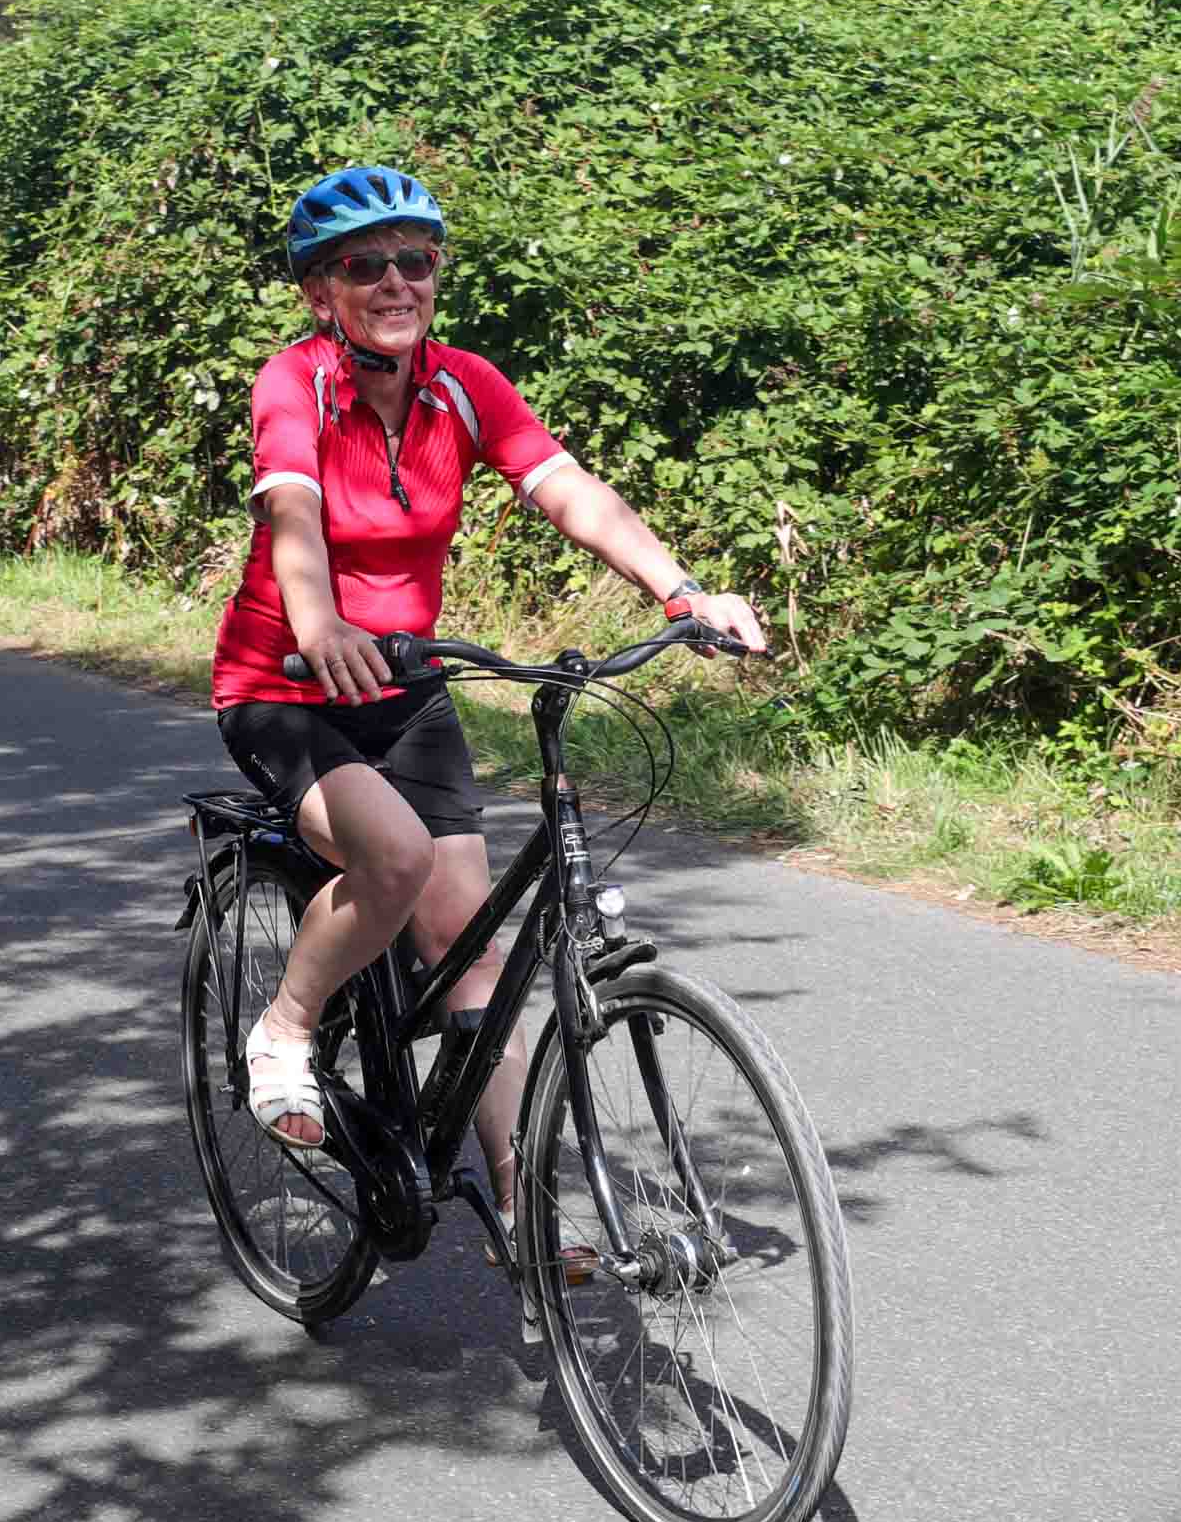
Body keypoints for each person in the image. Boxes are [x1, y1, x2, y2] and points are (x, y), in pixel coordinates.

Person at [209, 164, 766, 1221]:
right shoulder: (295, 385)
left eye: (415, 260)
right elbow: (290, 507)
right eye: (363, 264)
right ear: (318, 292)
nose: (395, 280)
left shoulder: (464, 381)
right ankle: (285, 1026)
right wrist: (319, 622)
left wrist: (681, 591)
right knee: (398, 857)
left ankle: (527, 1210)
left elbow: (564, 487)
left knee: (473, 951)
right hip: (282, 686)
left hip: (407, 686)